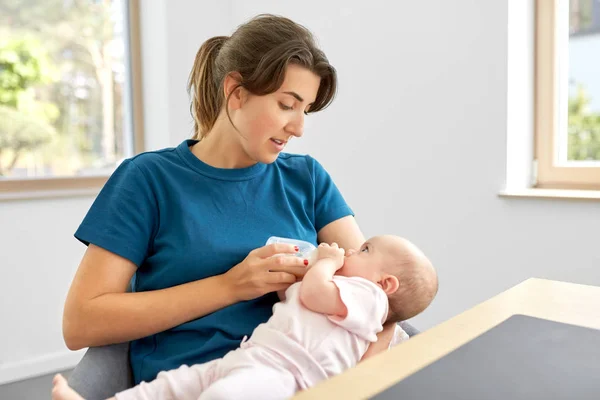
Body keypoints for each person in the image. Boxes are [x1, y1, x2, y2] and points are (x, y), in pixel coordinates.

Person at [61, 13, 389, 395]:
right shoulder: (149, 179)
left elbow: (379, 296)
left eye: (305, 110)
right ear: (236, 92)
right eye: (287, 105)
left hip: (305, 381)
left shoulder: (307, 178)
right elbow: (81, 321)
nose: (299, 127)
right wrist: (230, 286)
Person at [52, 236, 438, 400]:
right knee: (174, 385)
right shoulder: (350, 290)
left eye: (365, 249)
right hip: (251, 356)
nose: (354, 248)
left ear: (385, 283)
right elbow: (300, 300)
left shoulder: (368, 298)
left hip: (286, 374)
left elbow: (318, 294)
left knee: (221, 396)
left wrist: (326, 263)